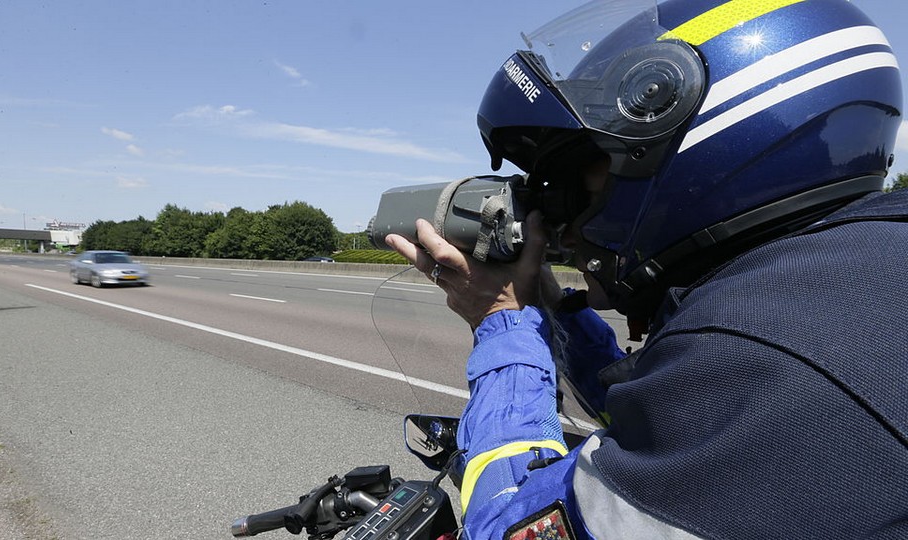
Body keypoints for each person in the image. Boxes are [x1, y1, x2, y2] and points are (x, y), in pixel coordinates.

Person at [385, 0, 908, 538]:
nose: (563, 228)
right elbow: (655, 407)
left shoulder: (760, 365)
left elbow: (508, 525)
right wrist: (549, 309)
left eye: (573, 185)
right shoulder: (835, 288)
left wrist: (500, 319)